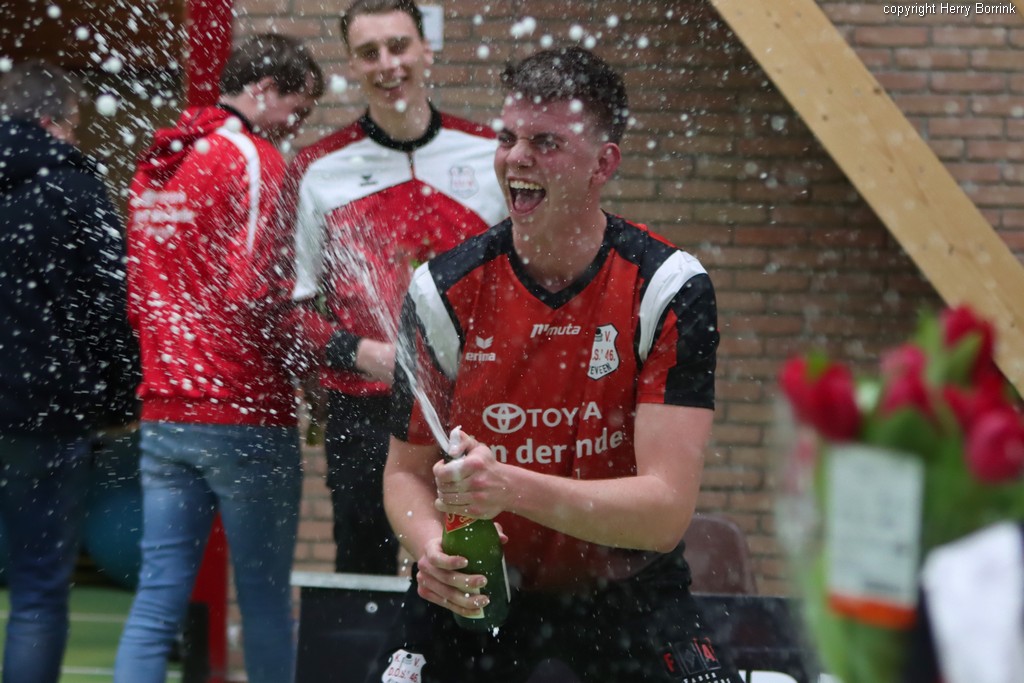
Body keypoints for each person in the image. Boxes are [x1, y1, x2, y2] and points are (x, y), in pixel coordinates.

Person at [373, 47, 741, 683]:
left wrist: (508, 486)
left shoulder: (668, 286)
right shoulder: (442, 290)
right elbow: (405, 473)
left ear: (604, 164)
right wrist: (431, 549)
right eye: (507, 138)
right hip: (481, 586)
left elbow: (663, 513)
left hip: (628, 590)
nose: (516, 158)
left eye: (545, 143)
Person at [113, 34, 323, 683]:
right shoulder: (254, 158)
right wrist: (319, 364)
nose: (295, 126)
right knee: (264, 603)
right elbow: (259, 294)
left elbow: (139, 295)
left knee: (156, 600)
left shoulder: (162, 161)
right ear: (264, 89)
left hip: (165, 409)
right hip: (243, 410)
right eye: (297, 108)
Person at [283, 0, 506, 575]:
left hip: (476, 406)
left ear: (426, 50)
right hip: (365, 410)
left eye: (399, 46)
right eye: (369, 52)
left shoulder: (492, 155)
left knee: (482, 565)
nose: (387, 63)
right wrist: (366, 354)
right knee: (364, 573)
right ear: (352, 65)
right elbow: (290, 311)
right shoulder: (319, 169)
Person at [0, 59, 140, 683]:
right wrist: (122, 401)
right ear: (62, 119)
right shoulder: (74, 191)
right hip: (42, 413)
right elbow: (111, 308)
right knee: (37, 588)